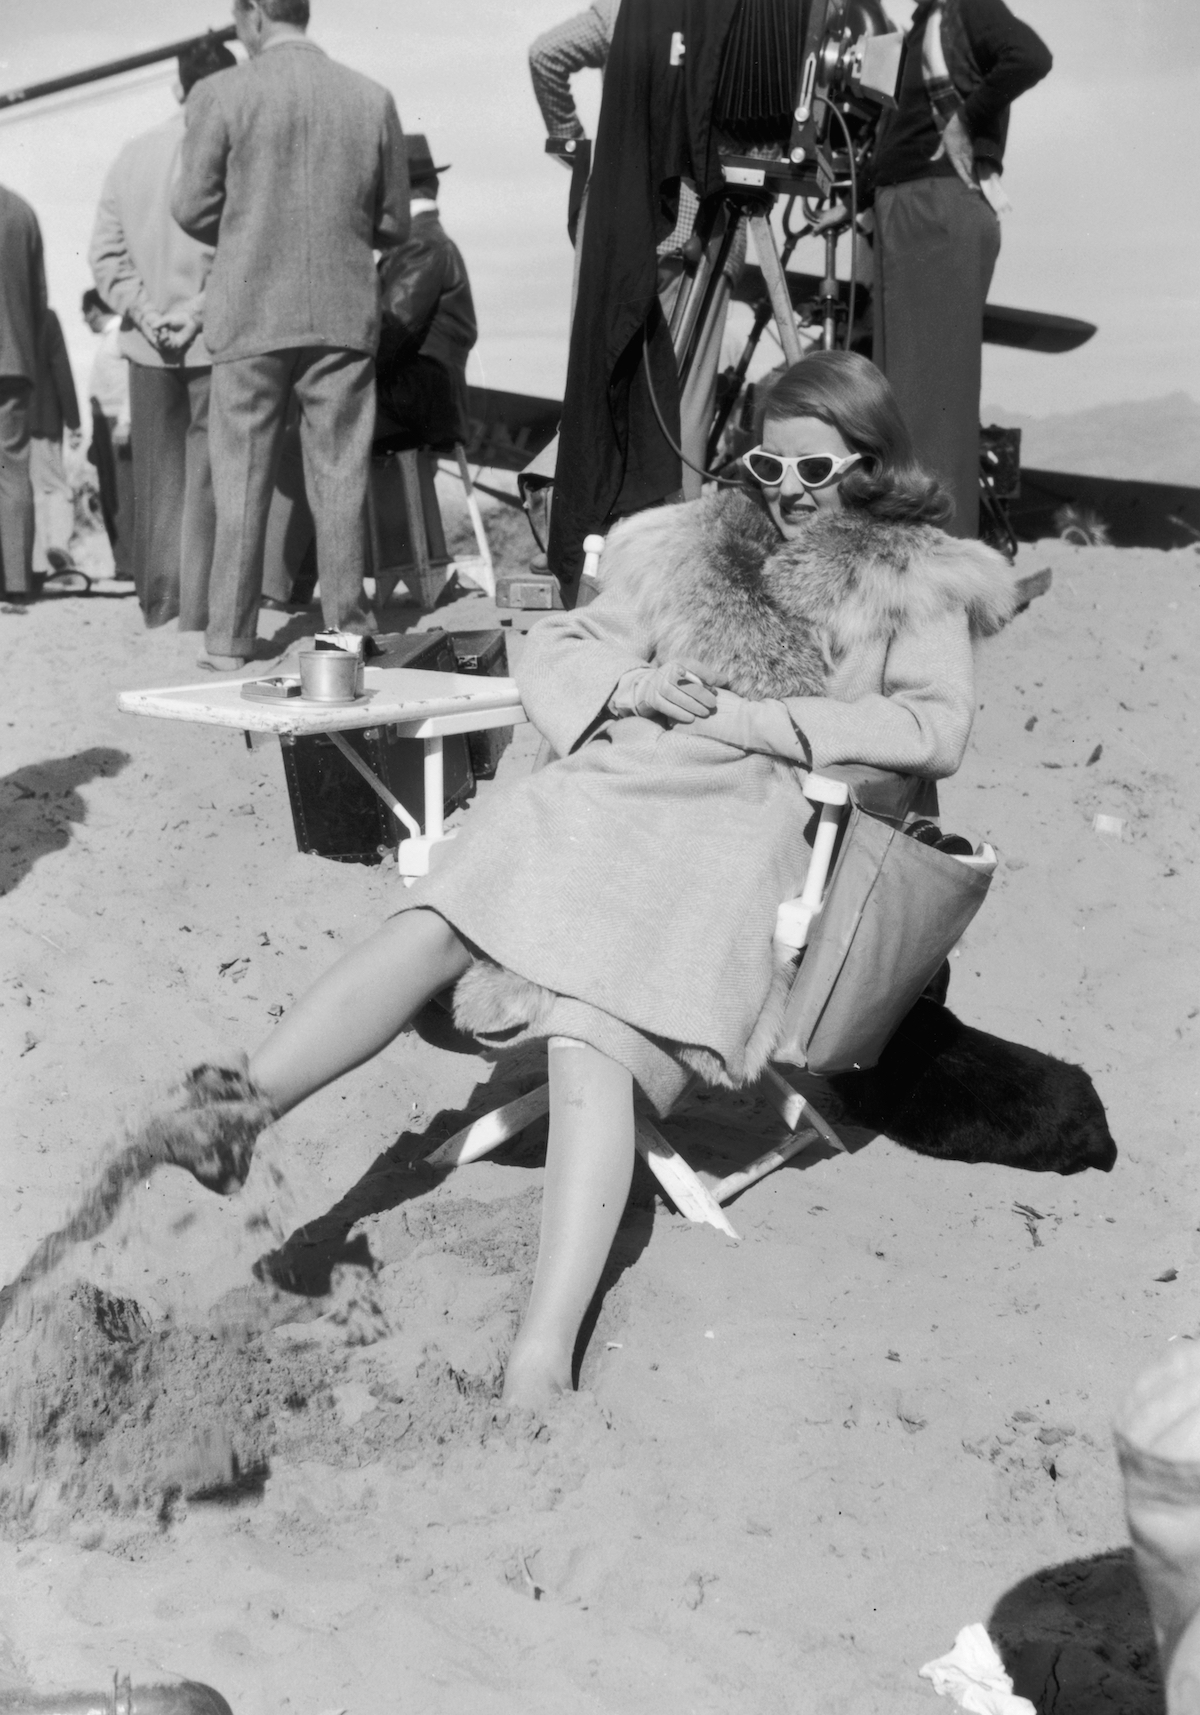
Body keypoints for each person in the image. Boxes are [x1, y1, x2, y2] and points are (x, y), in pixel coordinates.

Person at [152, 352, 1018, 1409]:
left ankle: (541, 1350)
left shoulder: (914, 573)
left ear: (871, 463)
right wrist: (633, 683)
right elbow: (560, 645)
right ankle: (242, 1110)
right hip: (620, 779)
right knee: (443, 912)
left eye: (816, 472)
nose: (787, 494)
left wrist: (759, 722)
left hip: (755, 822)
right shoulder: (687, 545)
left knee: (594, 1030)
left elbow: (932, 728)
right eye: (767, 467)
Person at [172, 0, 410, 671]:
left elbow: (190, 205)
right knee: (339, 474)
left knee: (240, 475)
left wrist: (251, 216)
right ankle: (347, 628)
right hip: (341, 311)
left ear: (251, 16)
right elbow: (394, 223)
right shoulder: (371, 97)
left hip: (249, 308)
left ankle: (229, 639)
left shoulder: (221, 92)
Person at [868, 0, 1052, 537]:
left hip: (937, 209)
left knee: (932, 409)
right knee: (902, 403)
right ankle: (910, 558)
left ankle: (939, 566)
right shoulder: (921, 24)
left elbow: (1030, 57)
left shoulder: (966, 7)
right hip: (907, 209)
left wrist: (967, 121)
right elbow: (899, 133)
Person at [89, 34, 237, 632]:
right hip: (210, 337)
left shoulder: (132, 154)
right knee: (207, 478)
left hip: (146, 345)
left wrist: (146, 314)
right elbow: (244, 250)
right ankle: (198, 610)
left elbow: (105, 255)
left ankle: (161, 603)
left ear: (177, 85)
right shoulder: (231, 152)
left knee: (154, 481)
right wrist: (195, 311)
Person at [375, 135, 477, 454]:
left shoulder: (421, 246)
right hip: (425, 398)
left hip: (415, 400)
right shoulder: (425, 242)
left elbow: (391, 333)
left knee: (302, 407)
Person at [0, 183, 47, 602]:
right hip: (12, 361)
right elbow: (39, 299)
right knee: (12, 471)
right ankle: (15, 582)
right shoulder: (21, 209)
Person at [83, 288, 135, 583]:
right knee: (109, 494)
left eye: (85, 312)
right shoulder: (107, 341)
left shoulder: (122, 336)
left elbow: (132, 382)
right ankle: (122, 563)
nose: (84, 320)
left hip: (118, 424)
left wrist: (125, 422)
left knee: (124, 494)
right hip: (103, 425)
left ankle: (132, 564)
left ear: (96, 309)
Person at [28, 308, 82, 584]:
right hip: (43, 418)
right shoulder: (45, 317)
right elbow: (61, 367)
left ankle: (32, 562)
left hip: (9, 419)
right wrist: (74, 420)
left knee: (22, 491)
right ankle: (58, 546)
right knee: (54, 488)